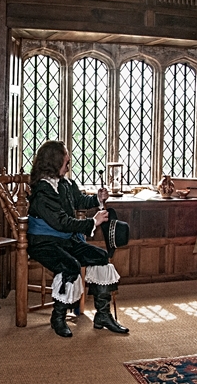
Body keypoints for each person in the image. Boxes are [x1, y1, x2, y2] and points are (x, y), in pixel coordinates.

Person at [26, 140, 128, 337]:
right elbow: (62, 222)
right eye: (65, 159)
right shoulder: (41, 192)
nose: (68, 162)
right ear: (54, 162)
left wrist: (98, 199)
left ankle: (103, 316)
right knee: (70, 265)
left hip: (66, 239)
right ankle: (58, 318)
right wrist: (92, 222)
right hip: (43, 243)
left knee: (100, 256)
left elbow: (79, 200)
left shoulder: (64, 183)